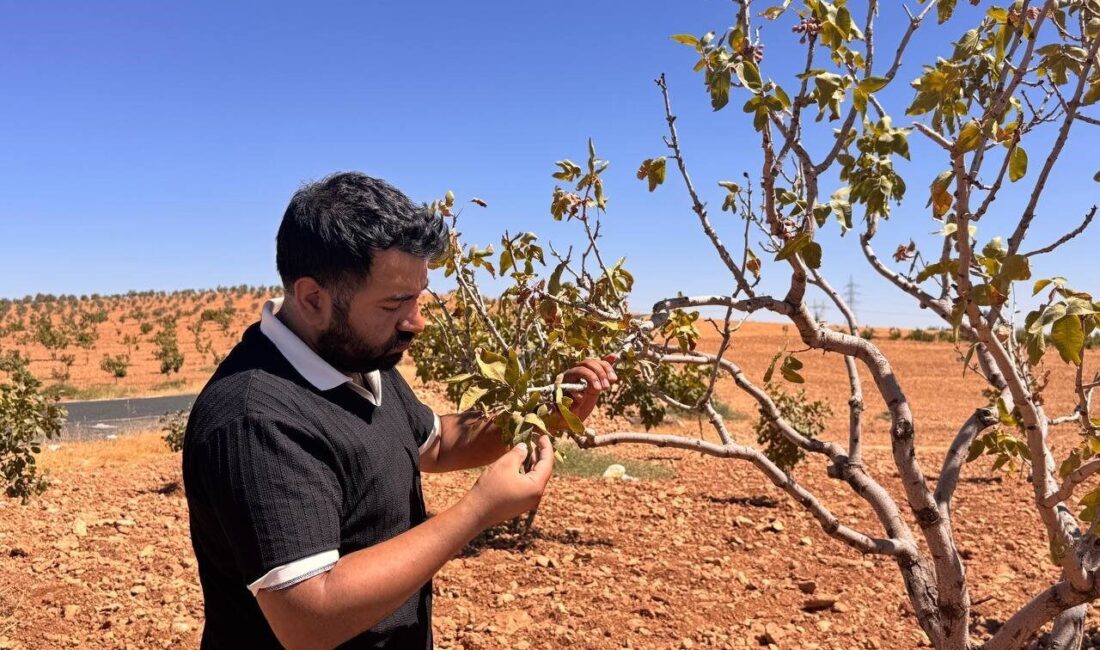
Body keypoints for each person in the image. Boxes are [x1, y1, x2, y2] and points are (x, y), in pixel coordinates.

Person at [182, 172, 617, 649]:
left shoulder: (357, 356)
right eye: (395, 303)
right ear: (313, 299)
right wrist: (477, 512)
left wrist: (543, 411)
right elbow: (308, 618)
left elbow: (439, 442)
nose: (417, 322)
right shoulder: (254, 419)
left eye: (418, 296)